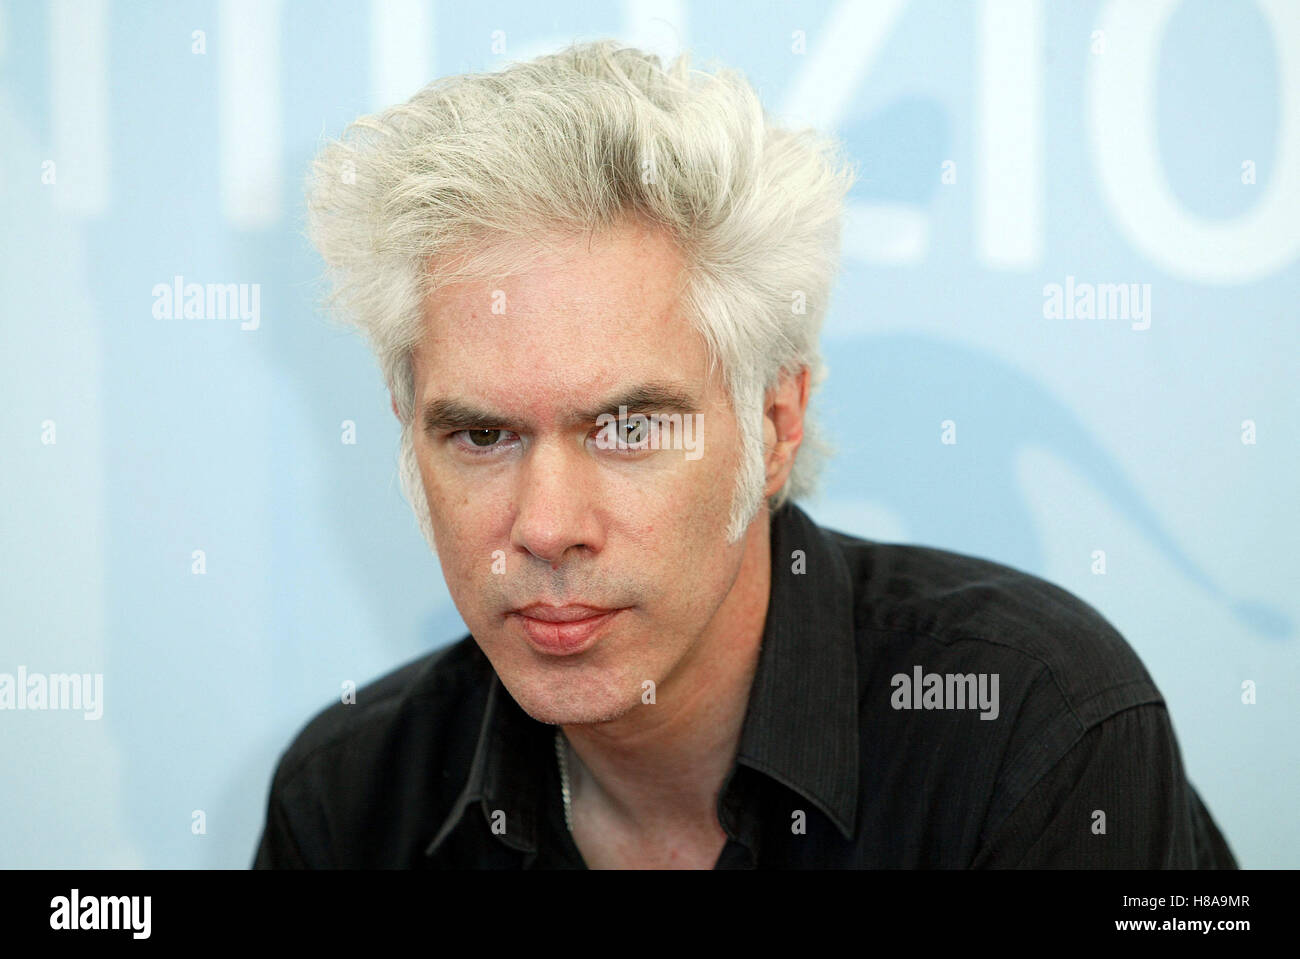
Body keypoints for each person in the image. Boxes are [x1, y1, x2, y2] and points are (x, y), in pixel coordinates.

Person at [253, 39, 1235, 869]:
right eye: (480, 434)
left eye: (629, 427)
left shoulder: (1031, 730)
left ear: (773, 425)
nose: (545, 526)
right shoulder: (348, 801)